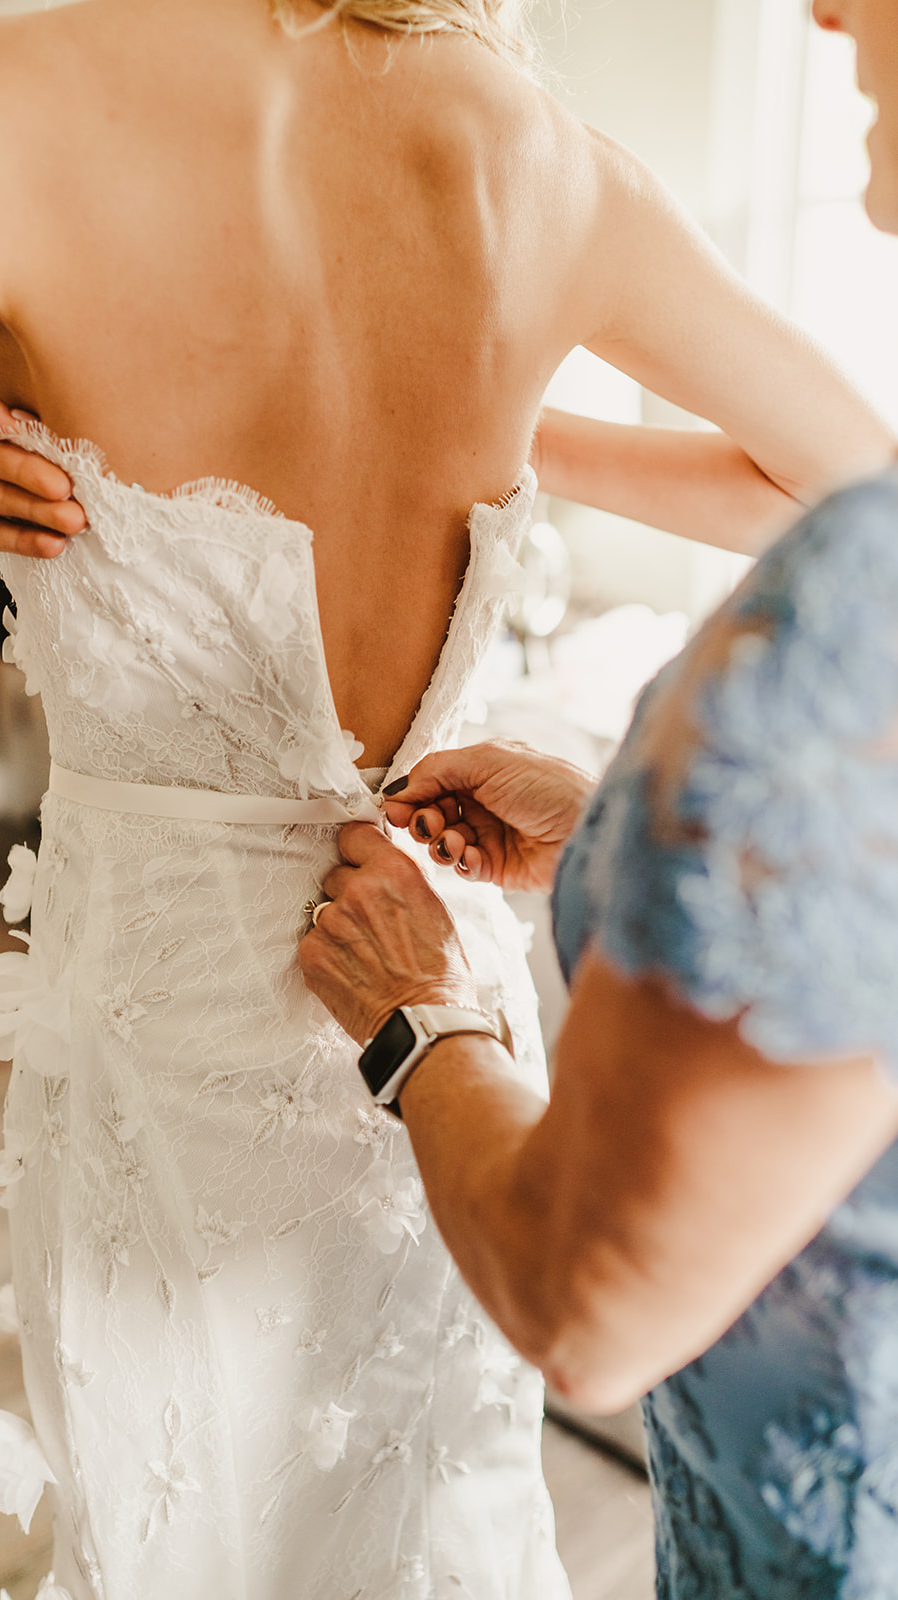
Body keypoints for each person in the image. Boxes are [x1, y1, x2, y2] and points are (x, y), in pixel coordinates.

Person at [0, 1, 895, 1595]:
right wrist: (508, 426)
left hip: (174, 1059)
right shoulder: (547, 163)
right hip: (432, 1011)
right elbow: (845, 486)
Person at [300, 0, 898, 1592]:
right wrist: (620, 842)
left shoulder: (862, 609)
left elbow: (591, 1307)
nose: (830, 8)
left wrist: (417, 1016)